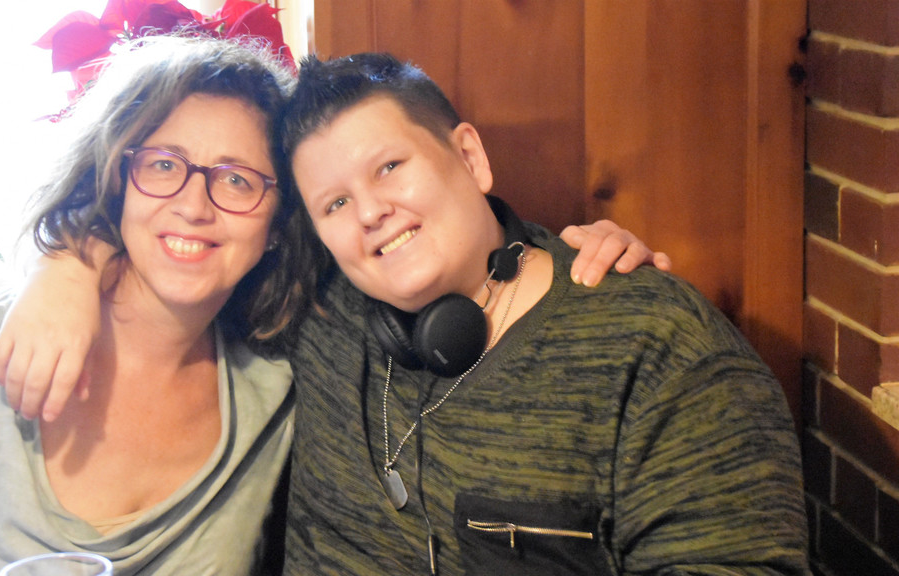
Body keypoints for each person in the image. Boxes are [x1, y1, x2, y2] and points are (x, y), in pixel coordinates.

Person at [271, 53, 808, 574]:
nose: (369, 212)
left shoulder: (658, 344)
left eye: (389, 167)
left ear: (470, 158)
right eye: (335, 204)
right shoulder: (316, 310)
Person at [0, 36, 306, 575]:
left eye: (237, 179)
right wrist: (66, 261)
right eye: (163, 165)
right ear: (116, 180)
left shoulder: (274, 389)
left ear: (278, 223)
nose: (194, 205)